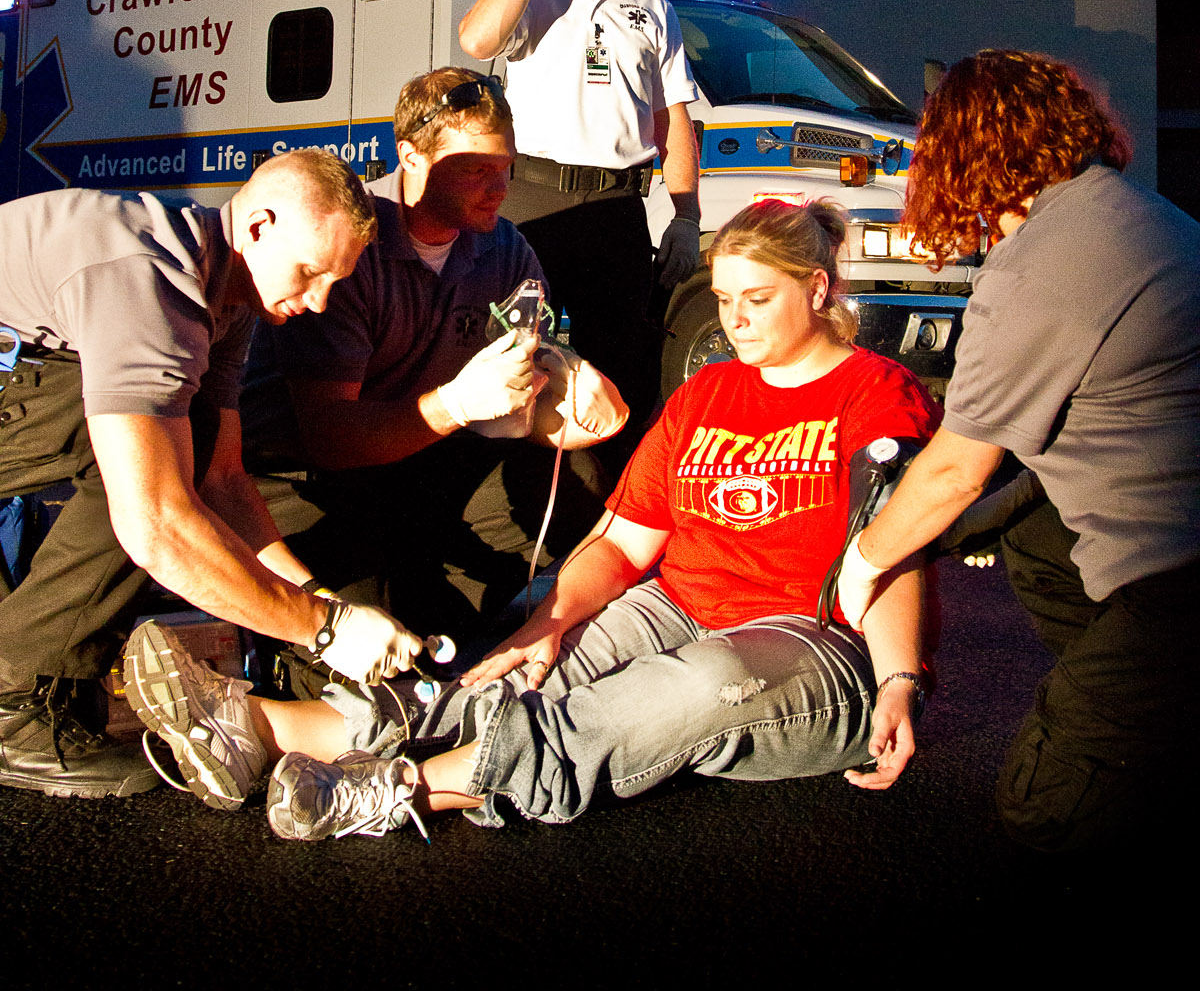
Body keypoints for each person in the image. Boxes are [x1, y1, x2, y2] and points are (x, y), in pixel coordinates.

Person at [122, 197, 938, 840]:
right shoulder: (708, 392)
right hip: (681, 604)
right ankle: (262, 729)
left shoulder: (878, 394)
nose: (735, 321)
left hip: (810, 637)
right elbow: (624, 543)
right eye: (724, 300)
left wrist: (900, 680)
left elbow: (895, 550)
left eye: (757, 300)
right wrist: (547, 624)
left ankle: (404, 790)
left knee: (683, 687)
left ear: (818, 290)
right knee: (516, 666)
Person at [836, 50, 1200, 852]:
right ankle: (1140, 708)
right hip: (1168, 536)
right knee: (1029, 528)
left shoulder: (1042, 263)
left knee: (1043, 806)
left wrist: (861, 564)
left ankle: (1150, 728)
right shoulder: (1139, 213)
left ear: (963, 152)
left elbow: (955, 471)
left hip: (1178, 582)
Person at [0, 151, 422, 799]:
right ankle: (18, 709)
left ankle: (33, 681)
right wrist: (322, 630)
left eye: (334, 283)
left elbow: (223, 481)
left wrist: (325, 604)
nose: (319, 301)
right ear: (258, 226)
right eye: (311, 272)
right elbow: (156, 526)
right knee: (153, 451)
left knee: (180, 433)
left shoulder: (225, 298)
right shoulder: (151, 281)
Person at [241, 68, 628, 643]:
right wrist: (458, 404)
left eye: (506, 167)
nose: (500, 187)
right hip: (311, 474)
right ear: (412, 158)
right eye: (476, 170)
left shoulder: (503, 248)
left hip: (428, 453)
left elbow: (536, 366)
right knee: (372, 630)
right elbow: (331, 438)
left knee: (576, 483)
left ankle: (501, 632)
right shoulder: (347, 245)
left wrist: (569, 386)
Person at [458, 0, 700, 434]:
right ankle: (500, 487)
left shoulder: (652, 6)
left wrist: (687, 217)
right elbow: (476, 41)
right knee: (511, 366)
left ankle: (609, 491)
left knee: (618, 379)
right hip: (532, 207)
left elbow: (672, 119)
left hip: (618, 211)